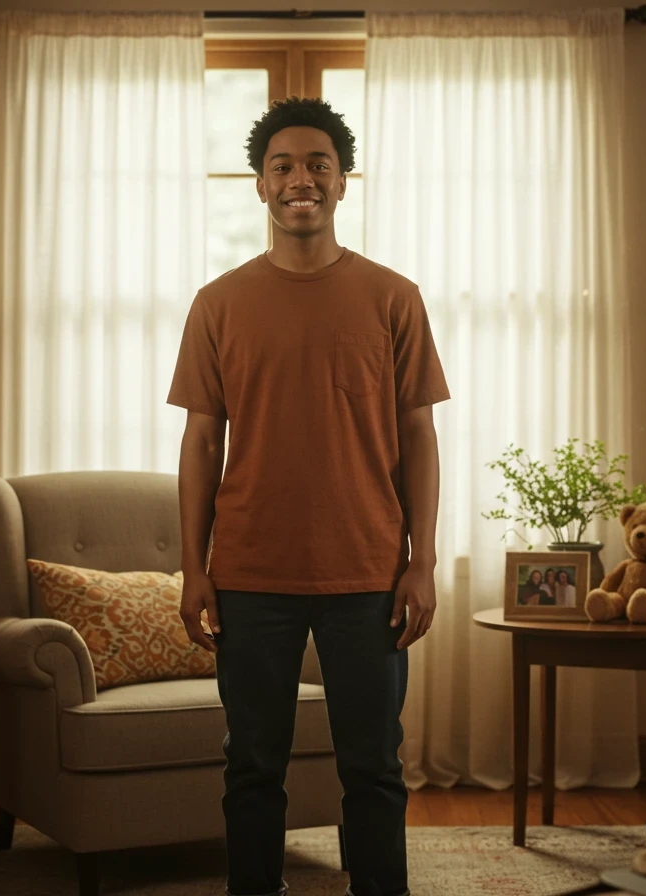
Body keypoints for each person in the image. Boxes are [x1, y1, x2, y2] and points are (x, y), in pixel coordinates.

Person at [168, 97, 450, 896]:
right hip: (251, 572)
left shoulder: (394, 297)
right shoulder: (217, 303)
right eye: (283, 166)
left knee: (375, 767)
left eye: (318, 165)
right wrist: (194, 569)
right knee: (253, 765)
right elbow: (199, 442)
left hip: (369, 570)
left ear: (343, 182)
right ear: (260, 185)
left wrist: (420, 562)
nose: (301, 180)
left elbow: (419, 437)